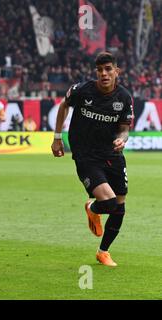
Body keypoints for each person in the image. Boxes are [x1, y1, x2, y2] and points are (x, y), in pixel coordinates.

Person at [51, 52, 134, 267]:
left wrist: (122, 140)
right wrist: (57, 138)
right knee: (108, 202)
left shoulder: (124, 97)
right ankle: (93, 208)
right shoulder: (82, 90)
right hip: (86, 155)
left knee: (120, 207)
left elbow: (124, 129)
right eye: (100, 70)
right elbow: (63, 106)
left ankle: (103, 252)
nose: (104, 74)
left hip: (112, 155)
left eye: (108, 69)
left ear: (117, 71)